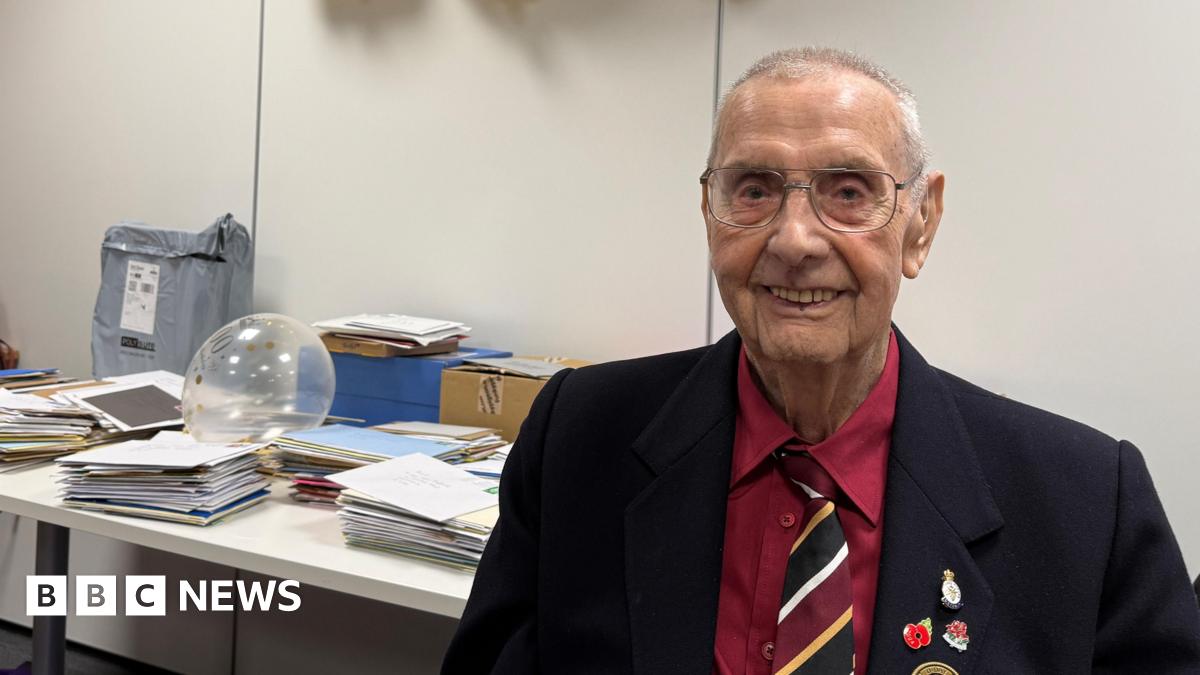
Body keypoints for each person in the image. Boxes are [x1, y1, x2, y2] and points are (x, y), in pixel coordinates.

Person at [442, 47, 1200, 674]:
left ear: (920, 224)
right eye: (754, 189)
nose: (795, 240)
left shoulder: (1086, 503)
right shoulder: (578, 439)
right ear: (709, 213)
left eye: (847, 191)